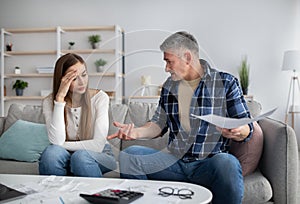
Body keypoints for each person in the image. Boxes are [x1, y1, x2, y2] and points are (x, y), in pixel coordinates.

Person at [107, 31, 253, 204]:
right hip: (173, 163)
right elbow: (158, 124)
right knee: (130, 155)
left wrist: (239, 130)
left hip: (208, 164)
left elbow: (247, 127)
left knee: (227, 162)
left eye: (169, 61)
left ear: (187, 57)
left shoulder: (226, 82)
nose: (166, 68)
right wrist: (135, 133)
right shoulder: (169, 86)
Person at [39, 53, 117, 177]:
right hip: (64, 153)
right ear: (62, 80)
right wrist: (59, 99)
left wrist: (61, 144)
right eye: (74, 78)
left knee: (80, 157)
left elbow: (97, 145)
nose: (82, 82)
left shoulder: (100, 98)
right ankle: (54, 195)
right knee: (50, 154)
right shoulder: (49, 102)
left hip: (100, 154)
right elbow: (56, 140)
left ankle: (95, 195)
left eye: (84, 75)